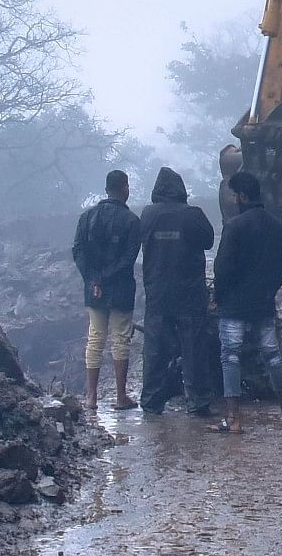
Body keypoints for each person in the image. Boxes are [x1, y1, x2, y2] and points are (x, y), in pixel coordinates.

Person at [210, 171, 282, 432]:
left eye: (235, 195)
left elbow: (222, 269)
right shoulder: (277, 228)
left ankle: (233, 420)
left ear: (243, 197)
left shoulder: (234, 227)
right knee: (272, 356)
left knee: (230, 357)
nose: (234, 199)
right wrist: (268, 292)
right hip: (263, 303)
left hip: (234, 305)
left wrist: (218, 297)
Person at [133, 166, 217, 416]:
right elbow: (209, 241)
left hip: (158, 293)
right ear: (180, 190)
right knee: (194, 349)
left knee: (156, 349)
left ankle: (151, 401)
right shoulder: (192, 215)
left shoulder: (147, 215)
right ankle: (198, 401)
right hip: (190, 294)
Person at [69, 170, 143, 409]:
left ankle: (91, 397)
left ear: (106, 189)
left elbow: (78, 251)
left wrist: (93, 279)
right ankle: (121, 397)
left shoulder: (87, 217)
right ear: (125, 189)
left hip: (94, 289)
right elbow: (128, 259)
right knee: (121, 339)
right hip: (120, 287)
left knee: (95, 337)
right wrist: (104, 278)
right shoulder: (132, 221)